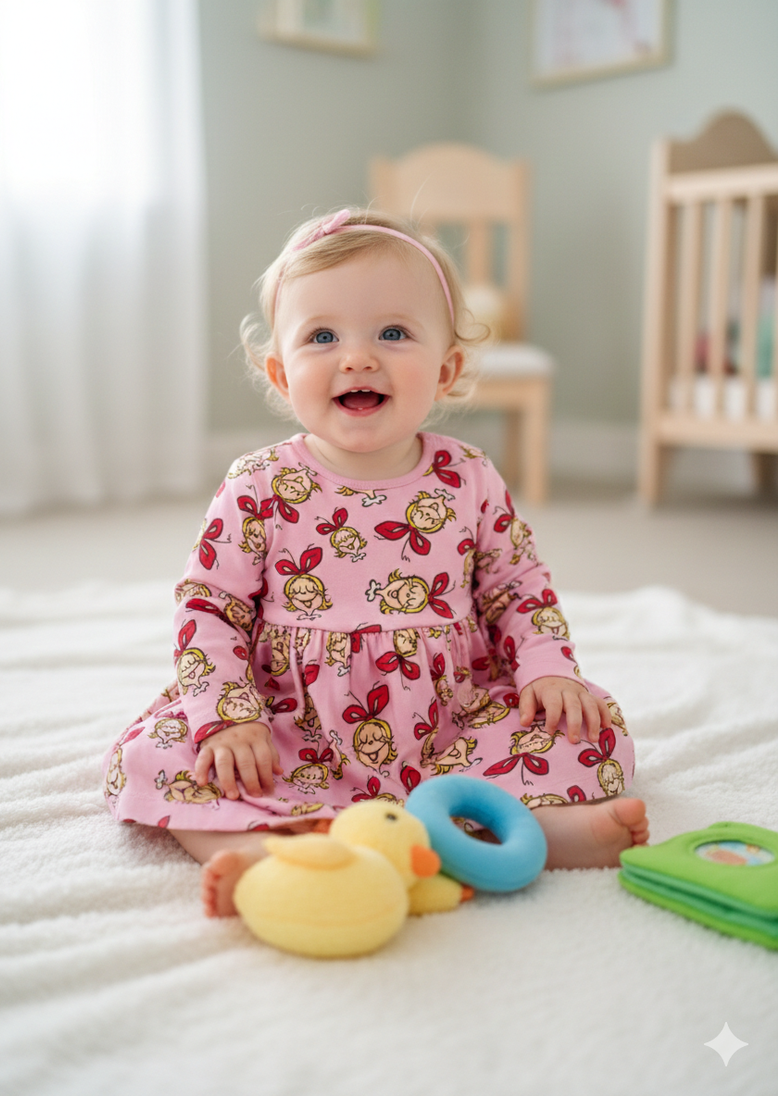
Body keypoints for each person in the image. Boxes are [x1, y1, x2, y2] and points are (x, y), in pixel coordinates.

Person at [102, 208, 648, 917]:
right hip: (291, 726)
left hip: (446, 721)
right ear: (280, 370)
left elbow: (516, 587)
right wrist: (227, 718)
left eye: (393, 333)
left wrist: (549, 668)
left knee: (593, 728)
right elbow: (211, 607)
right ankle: (268, 857)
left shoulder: (468, 476)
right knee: (157, 752)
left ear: (448, 369)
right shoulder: (258, 482)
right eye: (322, 336)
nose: (357, 357)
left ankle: (528, 832)